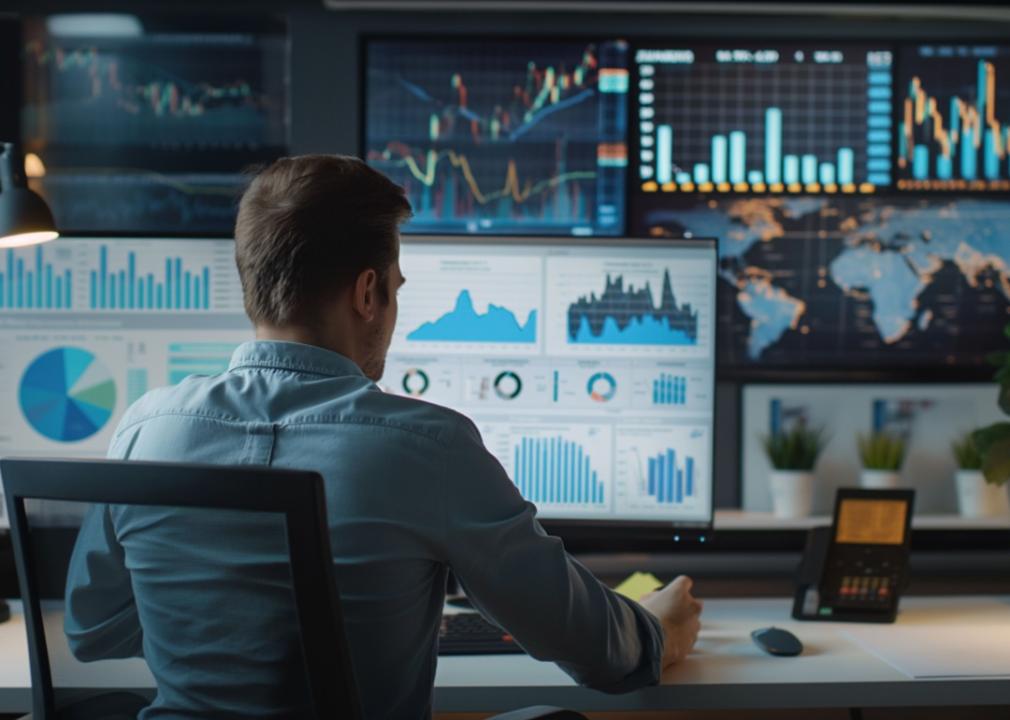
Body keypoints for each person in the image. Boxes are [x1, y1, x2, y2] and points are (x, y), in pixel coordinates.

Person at [64, 155, 703, 718]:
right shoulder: (430, 447)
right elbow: (596, 653)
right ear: (367, 293)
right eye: (395, 290)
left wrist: (225, 632)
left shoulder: (148, 429)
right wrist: (659, 631)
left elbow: (92, 630)